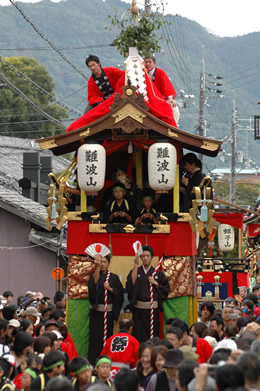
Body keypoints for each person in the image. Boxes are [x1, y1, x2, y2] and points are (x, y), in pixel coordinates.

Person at [126, 245, 170, 343]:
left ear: (151, 257)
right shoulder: (136, 270)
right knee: (138, 334)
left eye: (148, 256)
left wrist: (156, 283)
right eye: (143, 256)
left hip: (152, 310)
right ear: (140, 257)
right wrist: (135, 265)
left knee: (153, 335)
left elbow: (166, 289)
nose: (145, 258)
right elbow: (130, 284)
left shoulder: (157, 273)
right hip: (139, 310)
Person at [88, 254, 124, 365]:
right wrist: (97, 267)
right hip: (96, 312)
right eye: (101, 262)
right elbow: (92, 289)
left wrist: (110, 289)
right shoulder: (94, 276)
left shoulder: (114, 277)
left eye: (104, 262)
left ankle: (106, 361)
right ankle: (94, 363)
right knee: (95, 338)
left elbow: (120, 293)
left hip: (107, 313)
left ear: (109, 263)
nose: (103, 264)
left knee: (107, 336)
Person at [144, 56, 178, 122]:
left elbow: (167, 85)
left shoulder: (160, 72)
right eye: (146, 62)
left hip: (160, 99)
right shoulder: (142, 73)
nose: (148, 64)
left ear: (155, 63)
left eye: (150, 62)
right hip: (147, 100)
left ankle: (173, 128)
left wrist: (170, 98)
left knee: (173, 109)